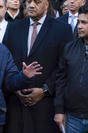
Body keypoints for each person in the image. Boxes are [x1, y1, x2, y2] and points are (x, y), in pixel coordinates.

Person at [3, 0, 73, 132]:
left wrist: (45, 90)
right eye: (29, 1)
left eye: (37, 2)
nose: (31, 5)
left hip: (46, 106)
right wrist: (15, 88)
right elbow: (6, 61)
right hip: (16, 105)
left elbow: (64, 66)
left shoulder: (62, 29)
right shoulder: (13, 27)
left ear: (46, 4)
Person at [54, 4, 88, 133]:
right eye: (79, 21)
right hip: (73, 117)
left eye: (84, 22)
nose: (79, 26)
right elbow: (61, 80)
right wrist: (59, 110)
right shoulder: (69, 48)